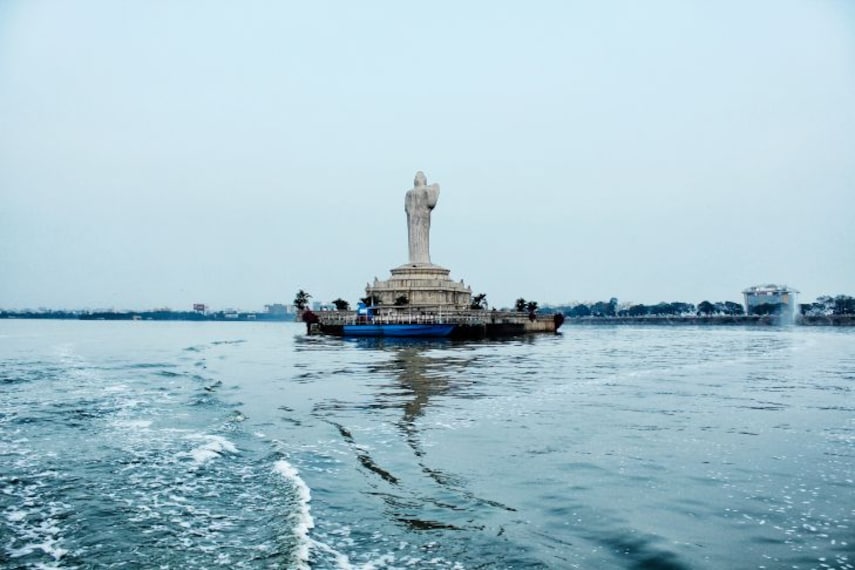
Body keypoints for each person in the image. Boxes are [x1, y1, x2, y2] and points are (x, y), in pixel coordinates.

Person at [405, 171, 440, 265]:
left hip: (413, 221)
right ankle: (421, 259)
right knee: (421, 239)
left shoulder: (409, 193)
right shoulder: (426, 191)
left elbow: (406, 209)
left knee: (417, 239)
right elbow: (431, 203)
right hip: (422, 219)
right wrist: (435, 188)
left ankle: (417, 259)